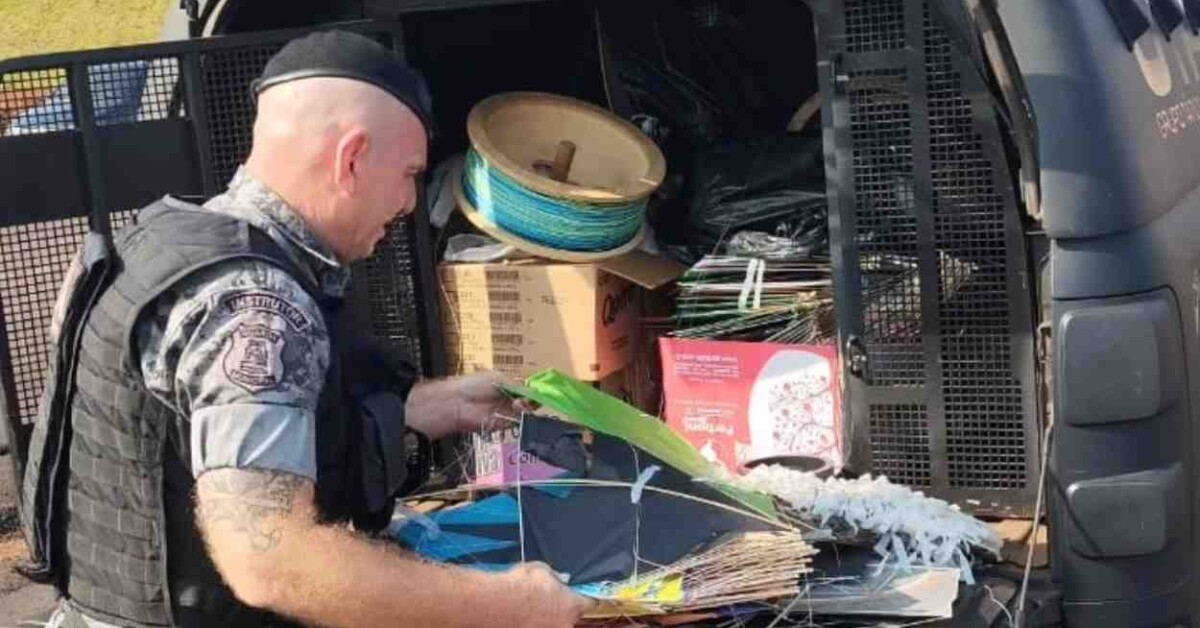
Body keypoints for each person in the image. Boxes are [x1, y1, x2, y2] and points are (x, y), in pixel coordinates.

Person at [22, 30, 593, 628]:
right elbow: (273, 561)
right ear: (352, 159)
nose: (408, 202)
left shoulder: (156, 239)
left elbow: (193, 432)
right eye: (409, 174)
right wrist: (510, 606)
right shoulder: (256, 306)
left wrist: (440, 406)